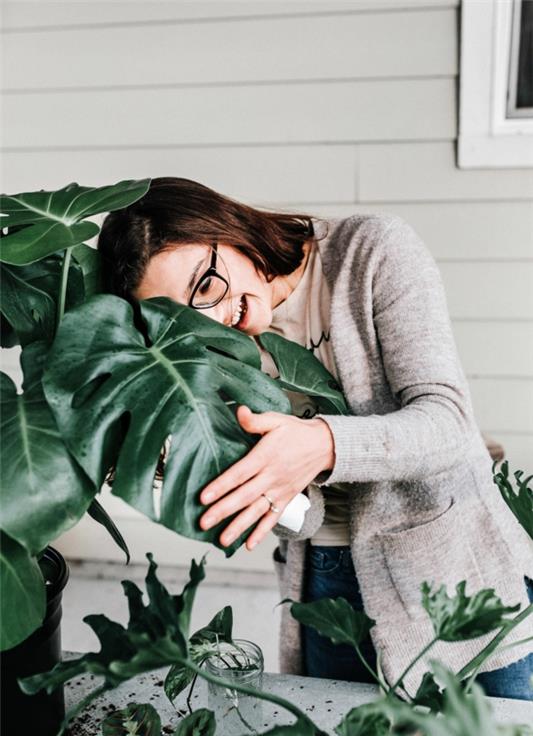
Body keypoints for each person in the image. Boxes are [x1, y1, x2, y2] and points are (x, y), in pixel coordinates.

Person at [98, 176, 533, 700]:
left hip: (454, 569)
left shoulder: (371, 252)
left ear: (223, 227)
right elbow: (306, 513)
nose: (215, 319)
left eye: (205, 284)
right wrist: (257, 489)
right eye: (186, 318)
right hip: (325, 576)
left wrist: (322, 445)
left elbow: (448, 424)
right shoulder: (209, 354)